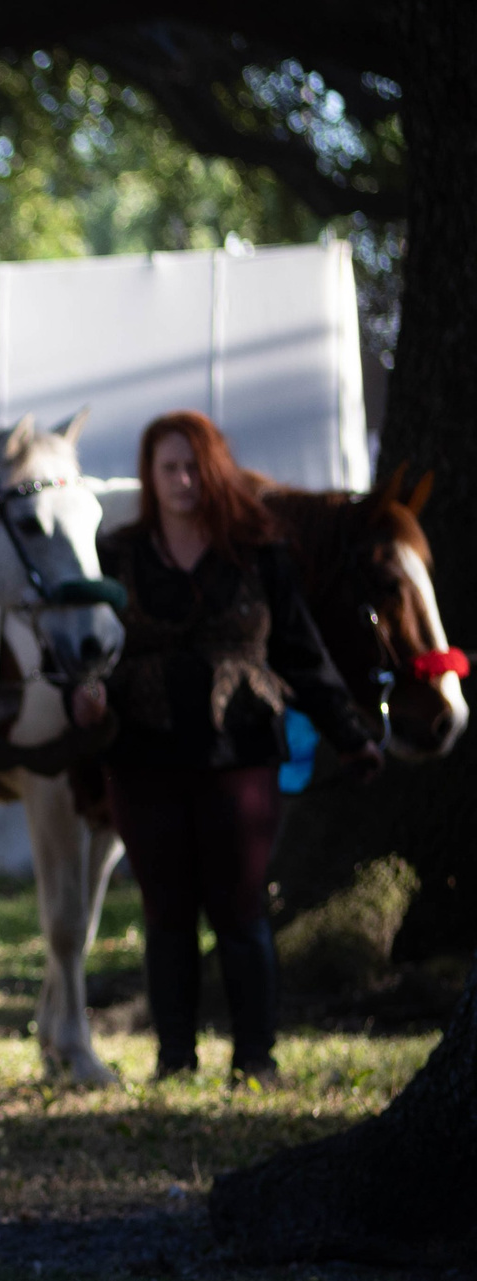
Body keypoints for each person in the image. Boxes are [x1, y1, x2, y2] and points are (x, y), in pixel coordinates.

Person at [97, 411, 378, 1084]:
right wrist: (86, 697)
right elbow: (91, 651)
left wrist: (351, 733)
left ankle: (256, 1057)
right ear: (150, 475)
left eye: (194, 465)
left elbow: (302, 654)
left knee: (239, 907)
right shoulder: (120, 554)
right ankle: (175, 1058)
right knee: (166, 910)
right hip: (145, 755)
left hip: (240, 753)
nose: (183, 480)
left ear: (216, 468)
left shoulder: (260, 551)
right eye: (169, 467)